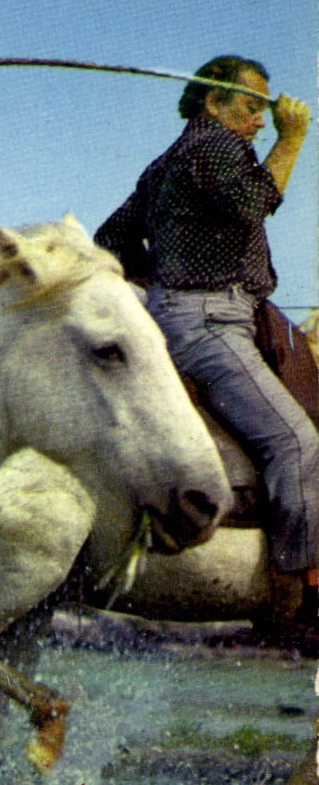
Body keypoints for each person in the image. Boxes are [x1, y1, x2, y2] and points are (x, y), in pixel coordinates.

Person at [94, 54, 317, 627]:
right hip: (211, 323)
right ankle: (298, 598)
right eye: (251, 107)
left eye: (267, 113)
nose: (261, 121)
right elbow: (255, 203)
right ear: (213, 102)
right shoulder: (215, 144)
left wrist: (165, 277)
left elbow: (111, 238)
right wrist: (294, 137)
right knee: (296, 442)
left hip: (191, 313)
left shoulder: (165, 163)